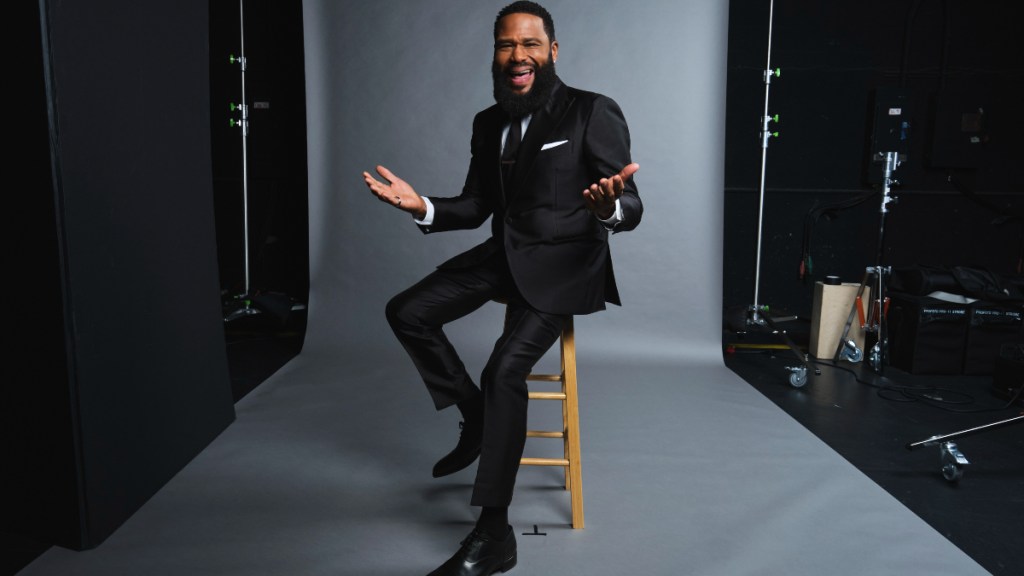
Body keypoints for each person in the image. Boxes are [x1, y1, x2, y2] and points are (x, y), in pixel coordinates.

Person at [363, 2, 642, 574]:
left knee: (503, 372)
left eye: (530, 44)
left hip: (564, 265)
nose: (518, 56)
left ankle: (493, 534)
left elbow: (632, 203)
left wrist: (612, 206)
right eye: (505, 45)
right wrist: (423, 207)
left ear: (553, 51)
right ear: (495, 53)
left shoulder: (591, 111)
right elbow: (475, 207)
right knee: (407, 311)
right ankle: (477, 418)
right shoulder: (487, 122)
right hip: (502, 257)